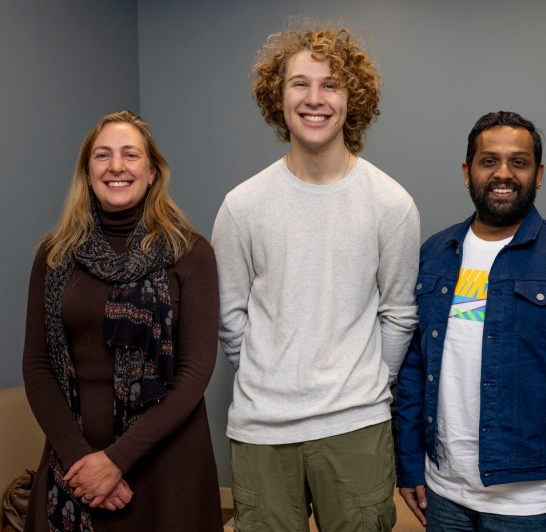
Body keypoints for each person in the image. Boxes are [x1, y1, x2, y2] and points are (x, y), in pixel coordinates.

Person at [211, 24, 420, 531]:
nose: (315, 98)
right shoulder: (242, 207)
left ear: (353, 99)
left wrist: (362, 384)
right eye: (299, 83)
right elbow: (230, 317)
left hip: (356, 427)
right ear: (277, 98)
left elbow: (398, 314)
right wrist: (273, 374)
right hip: (262, 432)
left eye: (331, 84)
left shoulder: (391, 205)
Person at [396, 111, 546, 532]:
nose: (504, 173)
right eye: (489, 161)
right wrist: (409, 464)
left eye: (518, 162)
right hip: (442, 494)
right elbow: (414, 368)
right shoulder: (435, 254)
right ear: (468, 172)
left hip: (532, 505)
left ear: (539, 174)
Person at [22, 110, 223, 531]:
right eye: (103, 155)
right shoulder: (54, 255)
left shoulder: (191, 252)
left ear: (151, 172)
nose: (116, 166)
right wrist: (82, 461)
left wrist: (117, 459)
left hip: (168, 466)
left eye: (130, 155)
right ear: (87, 172)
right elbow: (37, 367)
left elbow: (195, 371)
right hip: (74, 466)